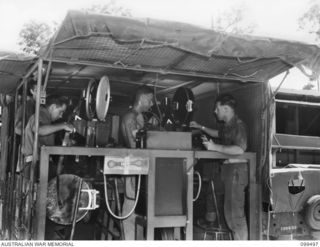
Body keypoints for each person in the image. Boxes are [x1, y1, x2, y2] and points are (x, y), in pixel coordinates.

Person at [190, 94, 248, 240]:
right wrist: (201, 127)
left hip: (237, 172)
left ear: (226, 109)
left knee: (235, 216)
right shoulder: (228, 125)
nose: (215, 111)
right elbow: (218, 133)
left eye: (217, 108)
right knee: (229, 213)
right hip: (229, 171)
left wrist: (214, 146)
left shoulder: (238, 125)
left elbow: (239, 149)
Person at [120, 85, 154, 240]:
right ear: (142, 99)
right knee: (131, 206)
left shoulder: (138, 117)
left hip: (139, 166)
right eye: (150, 99)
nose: (152, 104)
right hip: (133, 165)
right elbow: (135, 144)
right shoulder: (130, 117)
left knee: (139, 208)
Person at [22, 95, 74, 179]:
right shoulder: (41, 115)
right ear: (53, 107)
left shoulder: (46, 119)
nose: (61, 116)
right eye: (60, 111)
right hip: (35, 164)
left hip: (39, 163)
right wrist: (63, 125)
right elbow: (39, 130)